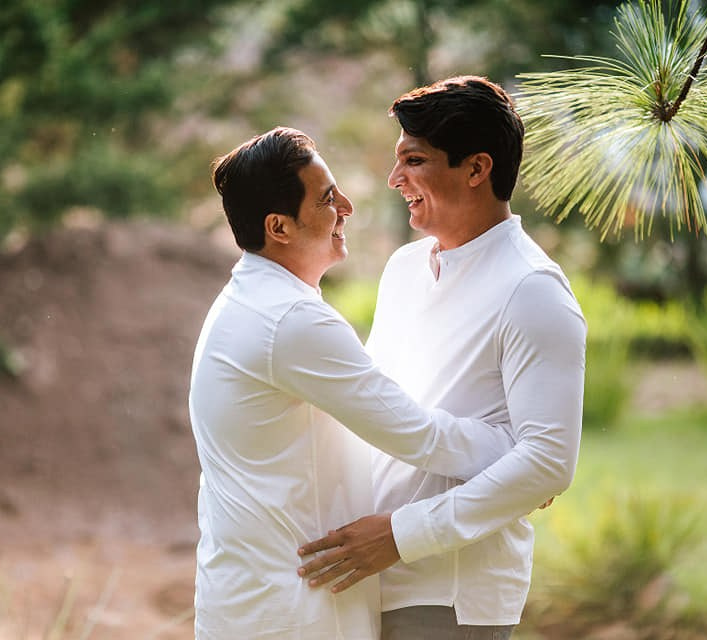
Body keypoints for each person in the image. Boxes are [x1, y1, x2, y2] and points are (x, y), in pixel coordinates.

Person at [189, 126, 516, 639]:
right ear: (280, 226)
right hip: (293, 615)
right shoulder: (288, 320)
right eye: (326, 198)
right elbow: (414, 433)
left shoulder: (252, 302)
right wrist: (516, 458)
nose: (347, 206)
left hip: (258, 604)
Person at [296, 76, 587, 639]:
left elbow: (549, 462)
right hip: (367, 579)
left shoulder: (534, 291)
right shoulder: (403, 269)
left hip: (450, 595)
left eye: (414, 160)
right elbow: (376, 408)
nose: (394, 179)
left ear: (476, 169)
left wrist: (400, 536)